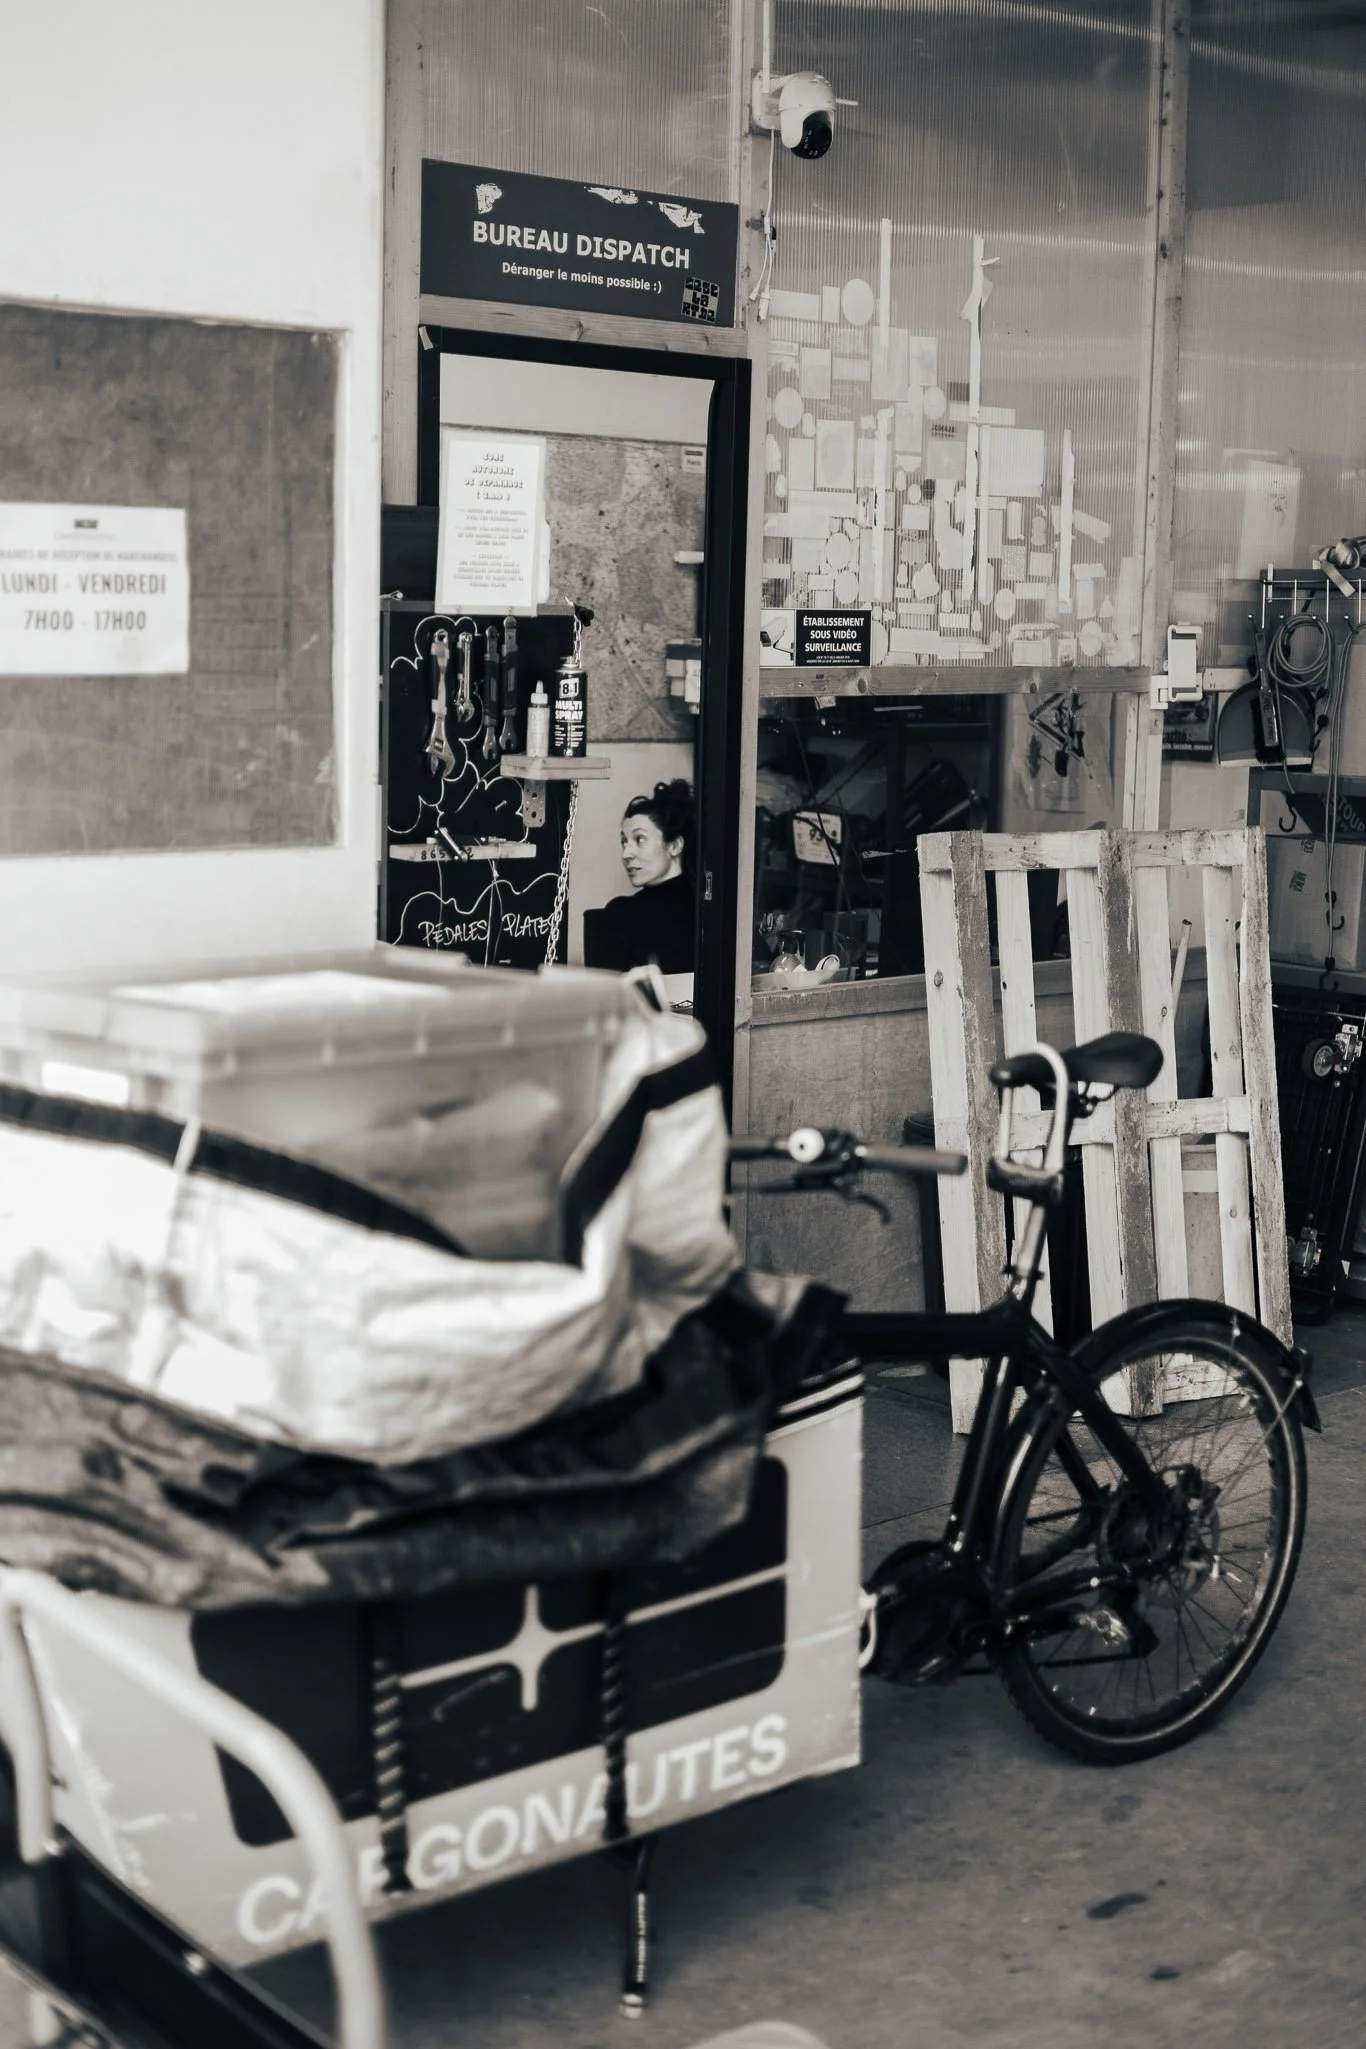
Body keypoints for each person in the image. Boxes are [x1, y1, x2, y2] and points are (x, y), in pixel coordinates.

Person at [583, 780, 696, 974]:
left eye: (639, 839)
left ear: (675, 845)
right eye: (624, 842)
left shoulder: (709, 911)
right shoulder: (620, 914)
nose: (626, 853)